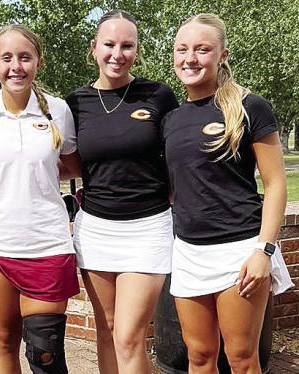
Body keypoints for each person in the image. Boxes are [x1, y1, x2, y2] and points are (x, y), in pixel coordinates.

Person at [163, 13, 293, 373]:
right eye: (182, 49)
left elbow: (276, 183)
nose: (190, 58)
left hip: (239, 251)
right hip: (188, 252)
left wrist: (263, 251)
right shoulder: (171, 119)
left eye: (202, 49)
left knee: (241, 358)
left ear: (222, 54)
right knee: (199, 356)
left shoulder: (251, 106)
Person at [65, 10, 179, 374]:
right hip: (96, 229)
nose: (117, 53)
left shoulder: (158, 95)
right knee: (107, 331)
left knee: (129, 337)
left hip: (148, 228)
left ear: (137, 50)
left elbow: (179, 154)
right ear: (94, 48)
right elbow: (69, 163)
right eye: (109, 44)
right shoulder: (75, 103)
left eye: (127, 45)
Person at [0, 24, 81, 374]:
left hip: (48, 242)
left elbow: (71, 166)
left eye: (24, 57)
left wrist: (39, 177)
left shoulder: (59, 111)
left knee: (45, 353)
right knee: (3, 341)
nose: (15, 66)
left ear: (38, 62)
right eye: (6, 58)